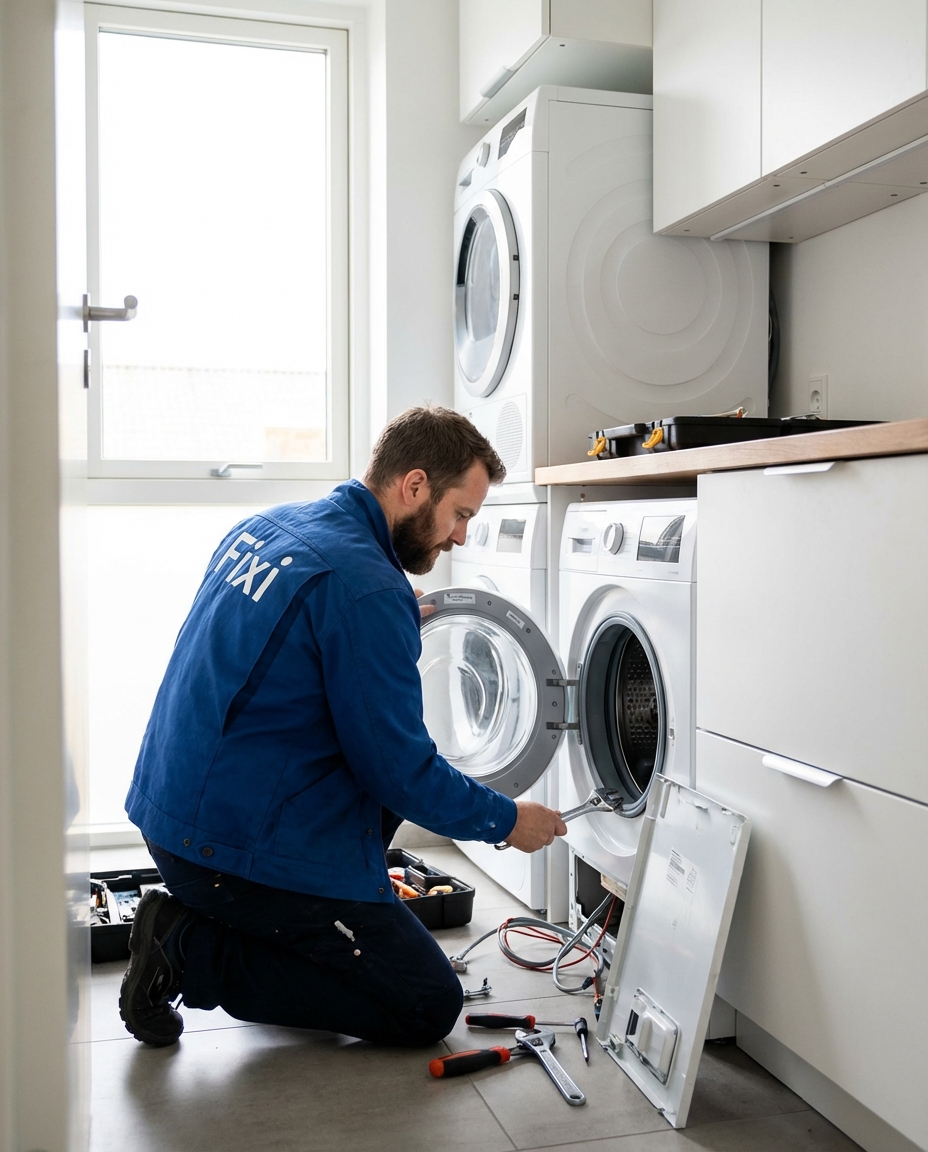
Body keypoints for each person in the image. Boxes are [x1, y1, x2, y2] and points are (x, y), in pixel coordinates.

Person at [120, 405, 567, 1049]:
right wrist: (505, 820)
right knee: (425, 1003)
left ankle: (242, 917)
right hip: (224, 855)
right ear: (414, 487)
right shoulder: (366, 587)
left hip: (171, 816)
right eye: (461, 514)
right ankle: (187, 947)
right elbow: (402, 772)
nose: (461, 538)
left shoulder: (269, 527)